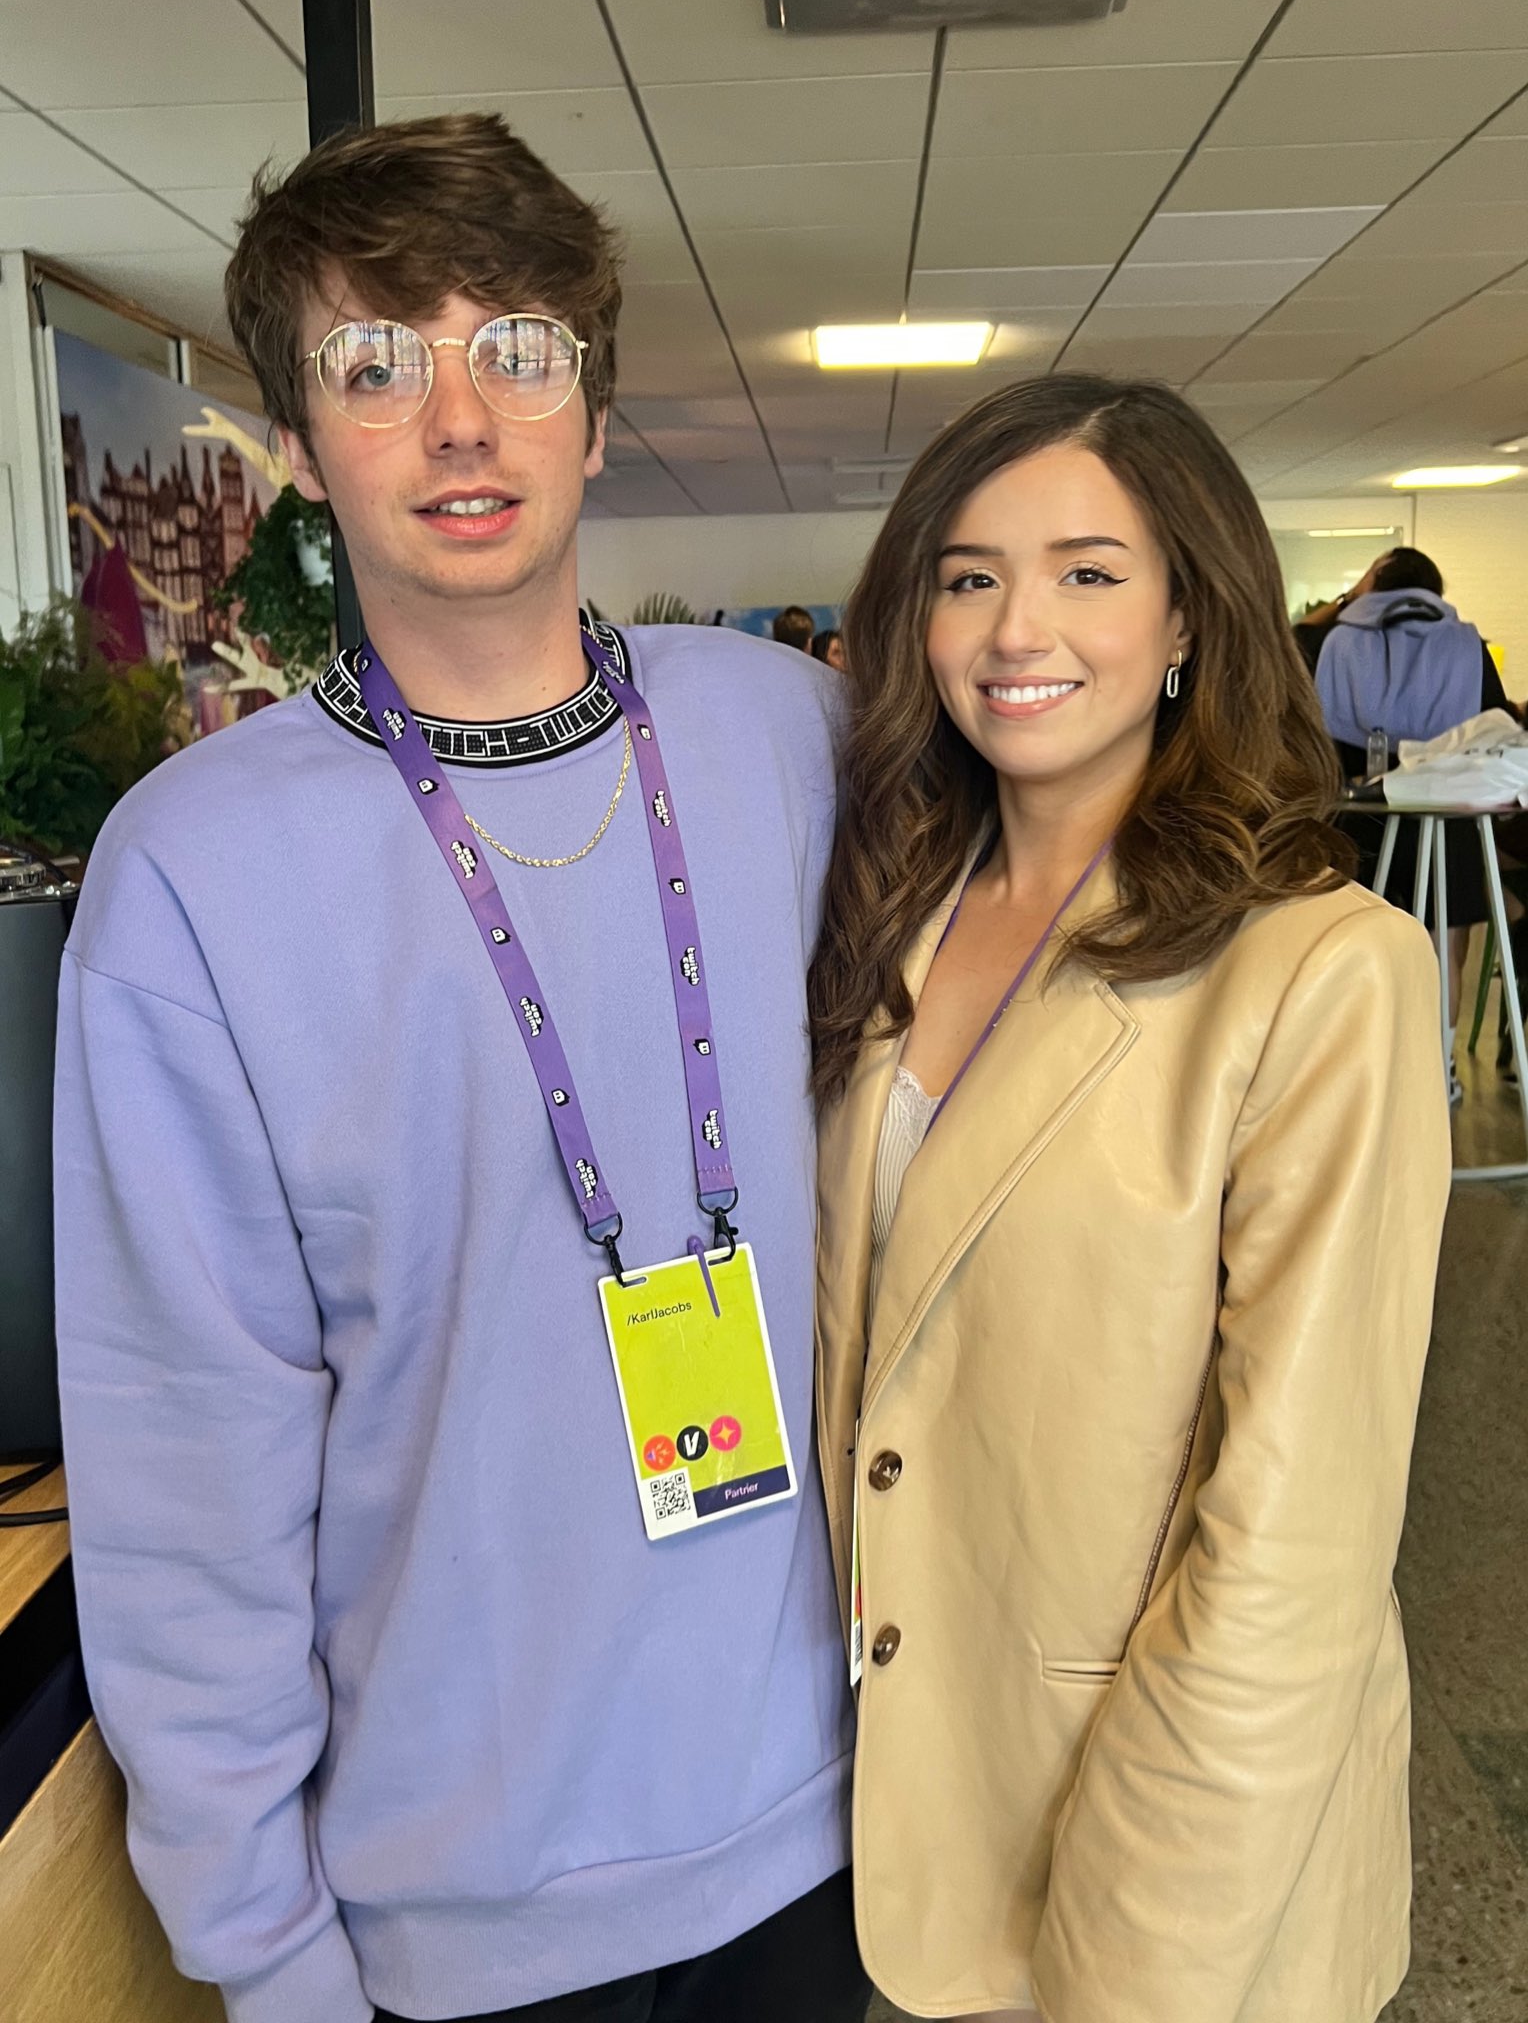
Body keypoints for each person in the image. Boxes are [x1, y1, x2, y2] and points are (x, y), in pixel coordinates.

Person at [53, 114, 864, 2023]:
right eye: (373, 366)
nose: (459, 420)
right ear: (299, 444)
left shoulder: (792, 735)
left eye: (515, 350)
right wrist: (263, 1953)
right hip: (459, 1904)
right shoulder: (191, 873)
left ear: (596, 410)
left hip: (827, 1833)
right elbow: (187, 1460)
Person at [808, 374, 1451, 2023]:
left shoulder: (1321, 969)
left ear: (1185, 618)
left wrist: (1145, 1951)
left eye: (1086, 571)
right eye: (968, 576)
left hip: (1150, 1854)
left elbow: (1292, 1543)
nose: (1015, 627)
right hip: (897, 1801)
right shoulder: (890, 910)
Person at [1299, 546, 1509, 1067]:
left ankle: (1359, 1067)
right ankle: (1440, 1069)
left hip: (1353, 814)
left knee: (1347, 942)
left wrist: (1347, 599)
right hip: (1447, 815)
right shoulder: (1468, 645)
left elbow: (1292, 636)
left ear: (1372, 584)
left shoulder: (1328, 641)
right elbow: (1494, 723)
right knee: (1444, 944)